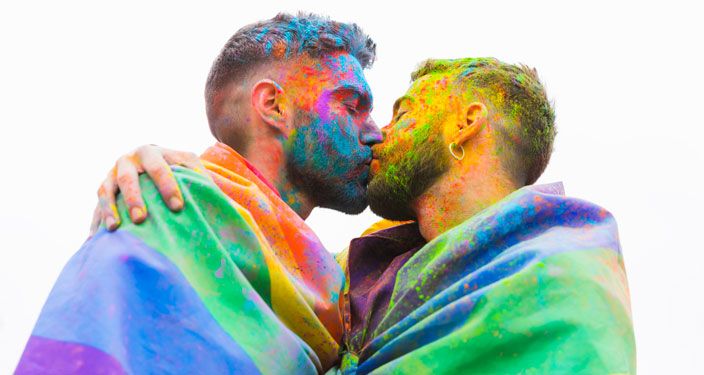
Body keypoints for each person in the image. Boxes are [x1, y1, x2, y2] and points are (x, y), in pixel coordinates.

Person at [91, 59, 636, 373]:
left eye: (403, 112)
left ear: (466, 124)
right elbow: (241, 268)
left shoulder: (564, 269)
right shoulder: (349, 278)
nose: (377, 134)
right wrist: (176, 174)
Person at [16, 13, 381, 374]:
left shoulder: (345, 284)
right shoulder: (162, 209)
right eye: (352, 106)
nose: (375, 133)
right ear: (273, 106)